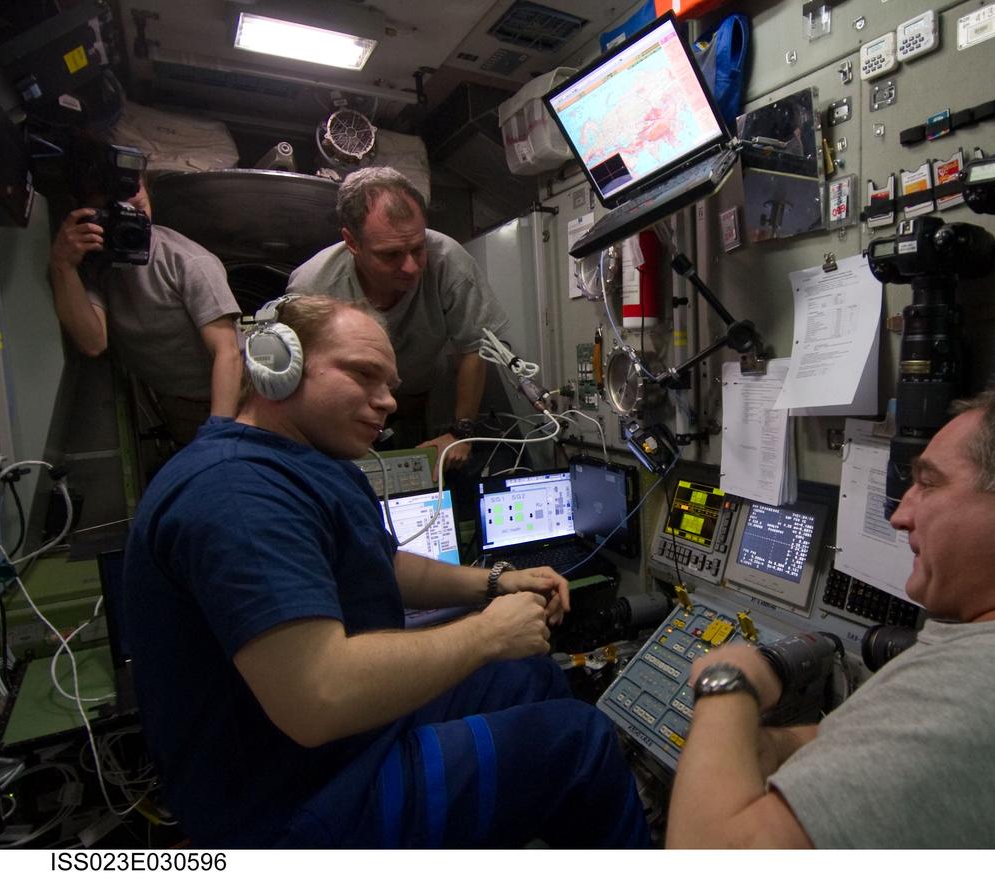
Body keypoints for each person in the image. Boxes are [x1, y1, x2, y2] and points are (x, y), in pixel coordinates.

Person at [122, 295, 648, 848]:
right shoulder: (239, 493)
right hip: (294, 803)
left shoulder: (309, 463)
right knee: (582, 741)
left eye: (391, 385)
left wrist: (495, 582)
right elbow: (319, 696)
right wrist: (488, 633)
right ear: (277, 364)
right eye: (363, 374)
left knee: (529, 675)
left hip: (341, 747)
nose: (388, 401)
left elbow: (381, 564)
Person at [666, 375, 995, 848]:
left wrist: (730, 684)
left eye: (929, 483)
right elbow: (894, 751)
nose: (901, 514)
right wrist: (776, 748)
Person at [286, 167, 509, 468]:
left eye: (417, 248)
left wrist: (461, 433)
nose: (411, 267)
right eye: (390, 255)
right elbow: (303, 376)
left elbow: (473, 349)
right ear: (352, 243)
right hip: (345, 411)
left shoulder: (448, 261)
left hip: (424, 398)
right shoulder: (313, 286)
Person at [48, 168, 242, 445]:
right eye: (116, 214)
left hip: (232, 395)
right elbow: (92, 342)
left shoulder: (187, 261)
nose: (132, 221)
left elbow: (228, 352)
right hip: (178, 403)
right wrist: (62, 265)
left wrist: (219, 432)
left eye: (139, 209)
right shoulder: (96, 267)